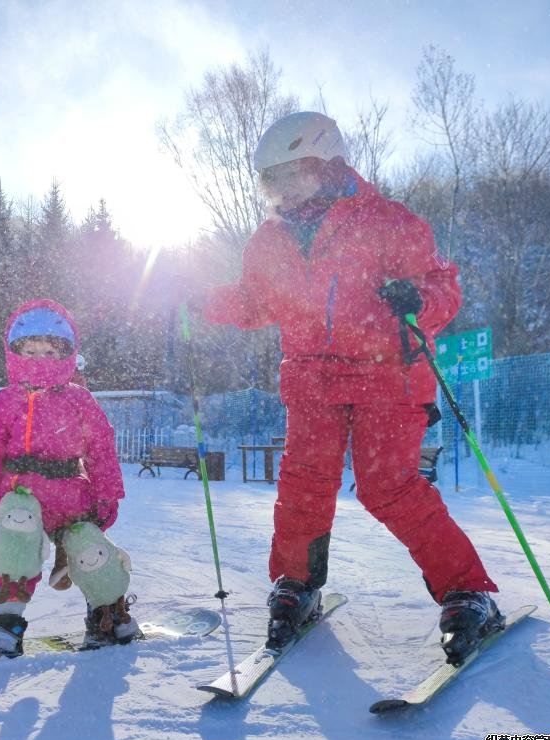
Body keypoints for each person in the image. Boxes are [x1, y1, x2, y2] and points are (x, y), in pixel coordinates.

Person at [199, 111, 501, 664]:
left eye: (289, 175)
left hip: (387, 374)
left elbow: (442, 286)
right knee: (304, 483)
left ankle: (467, 592)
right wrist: (201, 300)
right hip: (312, 380)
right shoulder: (269, 241)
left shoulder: (388, 221)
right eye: (271, 179)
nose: (280, 190)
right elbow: (255, 302)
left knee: (389, 486)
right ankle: (296, 584)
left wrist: (420, 299)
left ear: (325, 164)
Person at [0, 299, 134, 658]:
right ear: (16, 352)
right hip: (21, 498)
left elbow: (102, 449)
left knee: (92, 550)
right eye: (30, 350)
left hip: (74, 503)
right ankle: (5, 622)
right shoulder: (5, 402)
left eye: (49, 350)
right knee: (16, 529)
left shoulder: (80, 400)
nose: (40, 358)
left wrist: (107, 497)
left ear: (66, 354)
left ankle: (106, 612)